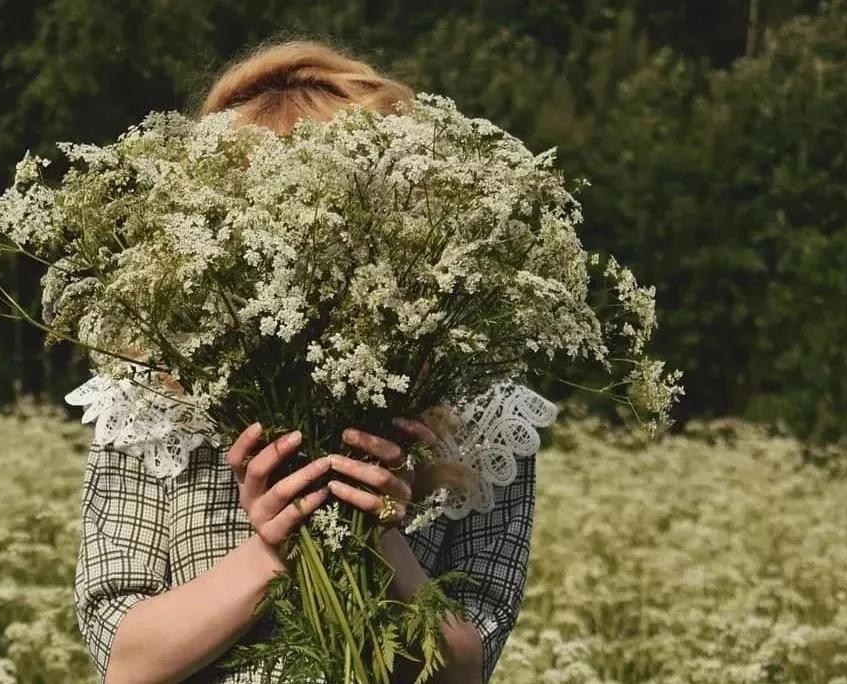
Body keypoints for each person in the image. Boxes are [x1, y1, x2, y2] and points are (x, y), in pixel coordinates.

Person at [73, 40, 542, 684]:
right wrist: (272, 549)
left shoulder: (476, 413)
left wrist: (377, 537)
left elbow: (466, 666)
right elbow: (123, 661)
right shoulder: (152, 399)